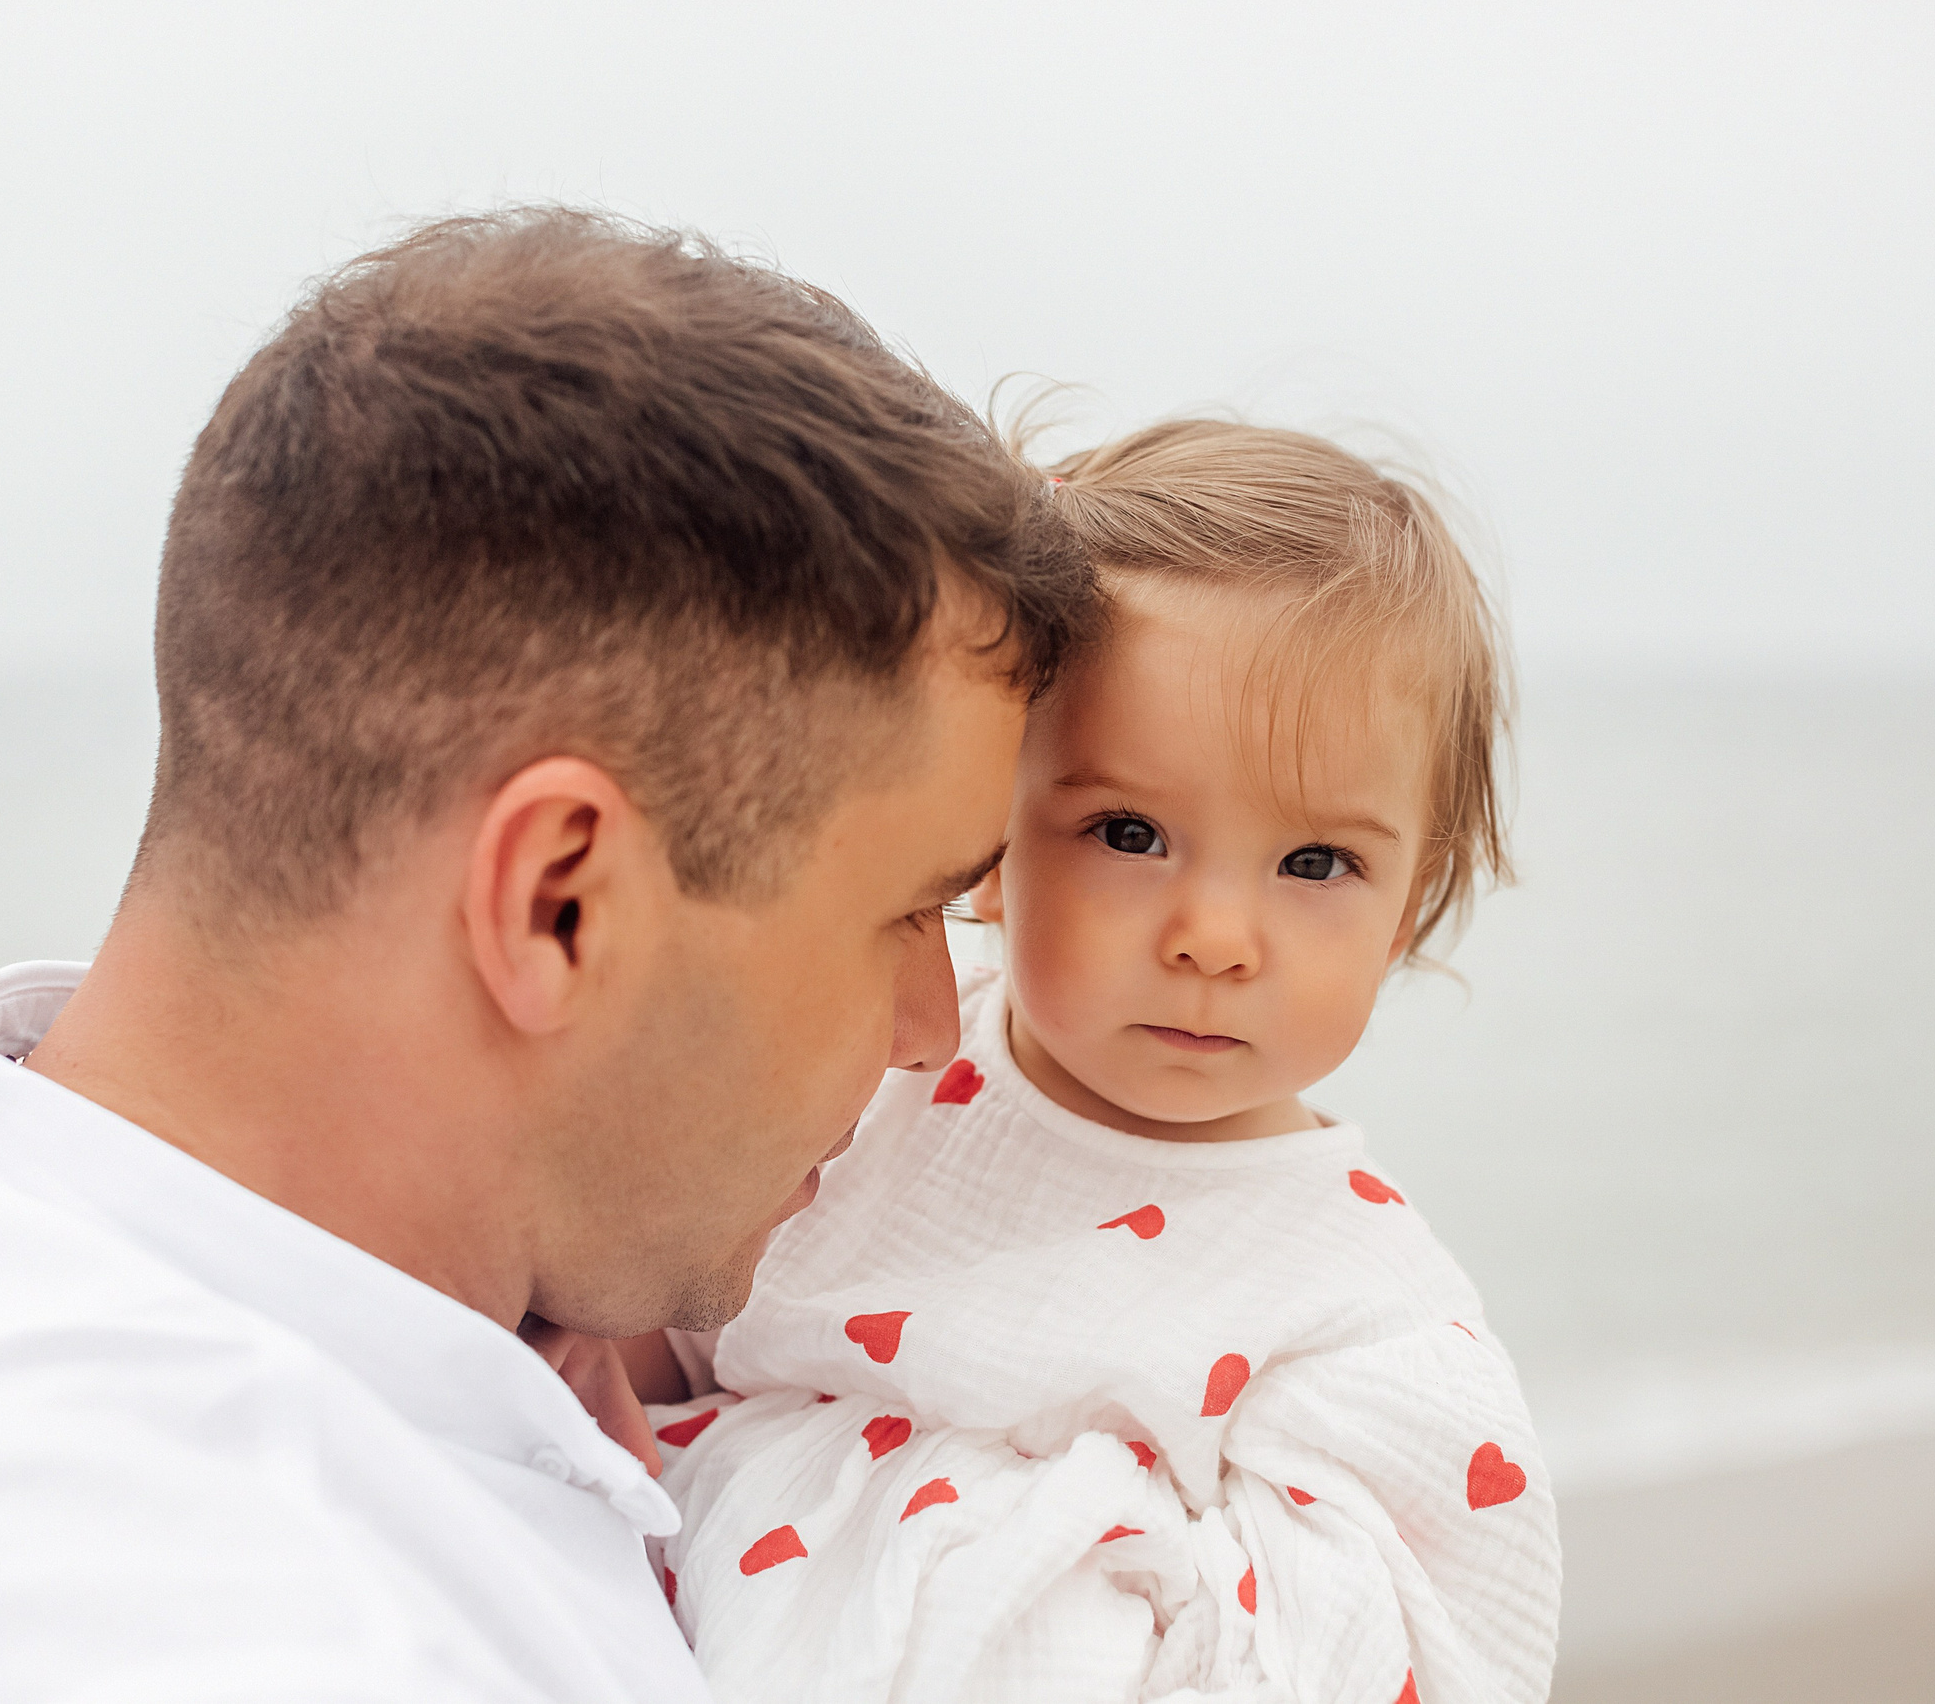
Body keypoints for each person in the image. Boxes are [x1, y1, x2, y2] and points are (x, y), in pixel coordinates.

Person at [0, 208, 1097, 1704]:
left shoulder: (53, 1221)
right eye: (912, 909)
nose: (936, 1024)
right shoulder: (215, 1627)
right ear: (559, 902)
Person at [637, 422, 1560, 1703]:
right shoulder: (874, 1060)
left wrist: (988, 1532)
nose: (1215, 940)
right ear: (987, 838)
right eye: (1128, 832)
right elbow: (675, 1294)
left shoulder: (1362, 1315)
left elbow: (1397, 1646)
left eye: (1315, 865)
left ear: (1407, 904)